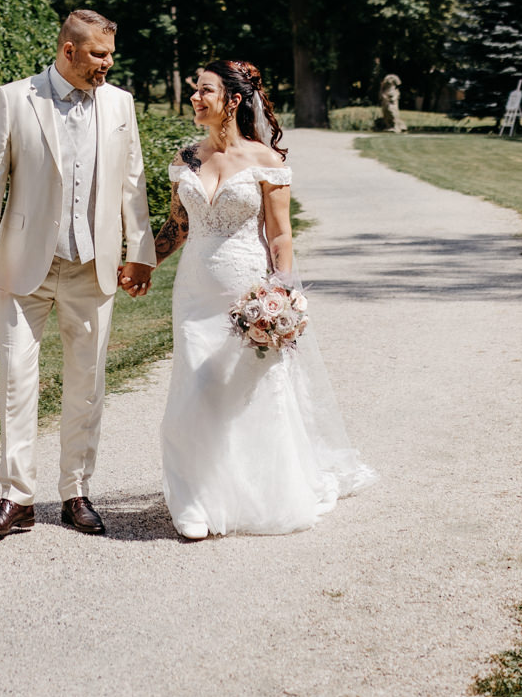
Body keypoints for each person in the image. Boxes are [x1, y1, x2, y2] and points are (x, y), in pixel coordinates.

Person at [150, 61, 376, 538]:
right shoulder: (186, 156)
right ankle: (196, 501)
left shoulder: (266, 162)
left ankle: (259, 490)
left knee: (249, 391)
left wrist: (282, 293)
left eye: (204, 90)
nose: (194, 97)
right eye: (195, 90)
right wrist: (139, 264)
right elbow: (178, 227)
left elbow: (280, 235)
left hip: (247, 292)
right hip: (192, 294)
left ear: (232, 100)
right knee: (195, 385)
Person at [0, 10, 156, 537]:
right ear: (68, 51)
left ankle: (76, 491)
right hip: (23, 265)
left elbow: (132, 182)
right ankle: (16, 498)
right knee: (16, 382)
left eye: (110, 54)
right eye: (98, 54)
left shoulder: (120, 104)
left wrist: (141, 250)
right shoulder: (14, 97)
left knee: (88, 384)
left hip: (92, 268)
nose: (107, 63)